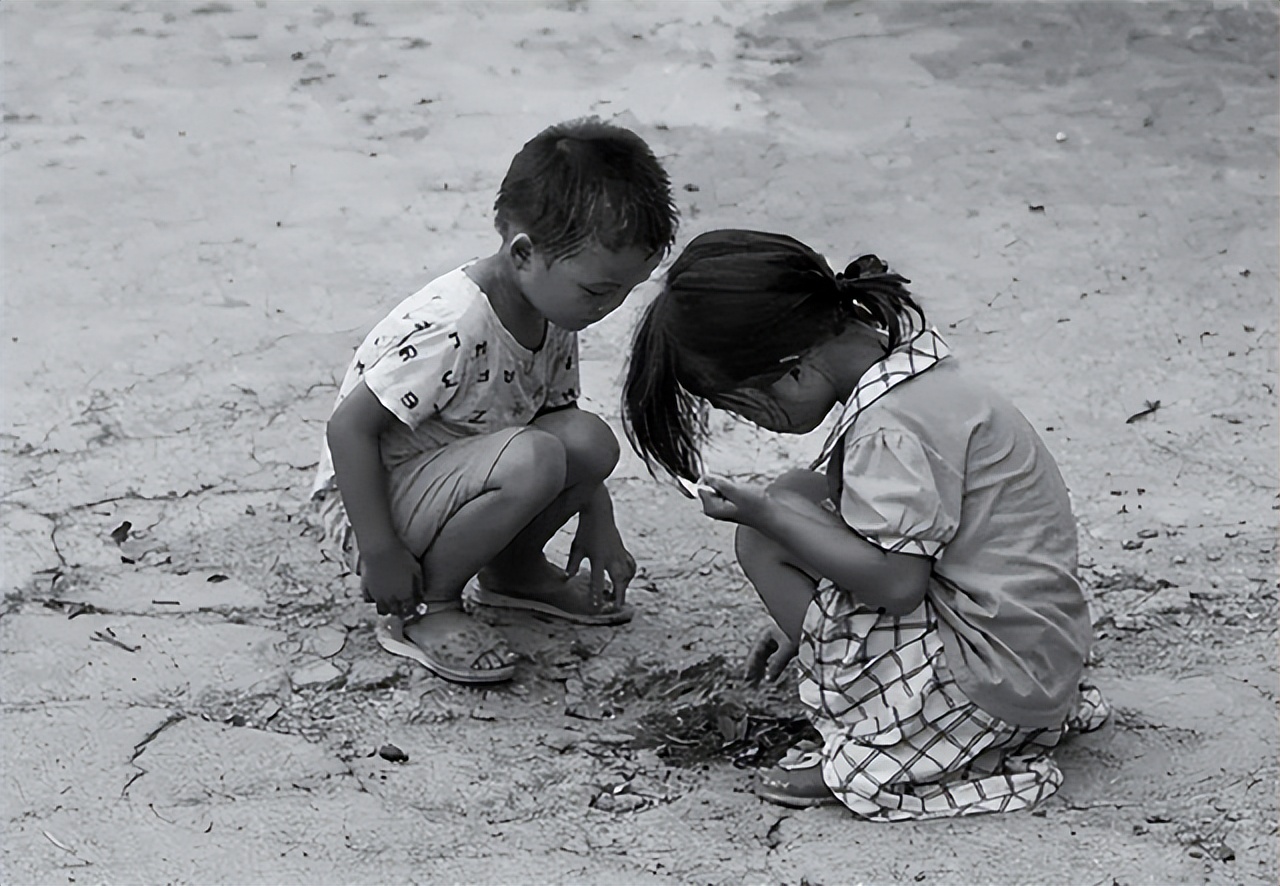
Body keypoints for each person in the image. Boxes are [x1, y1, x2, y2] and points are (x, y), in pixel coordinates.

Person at [621, 230, 1109, 820]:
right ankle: (872, 676)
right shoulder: (916, 373)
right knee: (802, 491)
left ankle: (886, 736)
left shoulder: (888, 429)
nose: (753, 424)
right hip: (1036, 660)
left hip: (992, 686)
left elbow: (897, 584)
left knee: (766, 530)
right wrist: (823, 611)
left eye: (742, 406)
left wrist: (766, 517)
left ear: (794, 372)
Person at [313, 117, 678, 684]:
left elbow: (557, 419)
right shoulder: (453, 325)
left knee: (586, 441)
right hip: (374, 509)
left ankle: (515, 575)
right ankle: (426, 610)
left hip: (456, 482)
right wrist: (380, 550)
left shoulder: (552, 309)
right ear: (525, 252)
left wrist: (598, 513)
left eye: (626, 291)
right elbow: (348, 430)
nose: (609, 307)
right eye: (599, 290)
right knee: (535, 457)